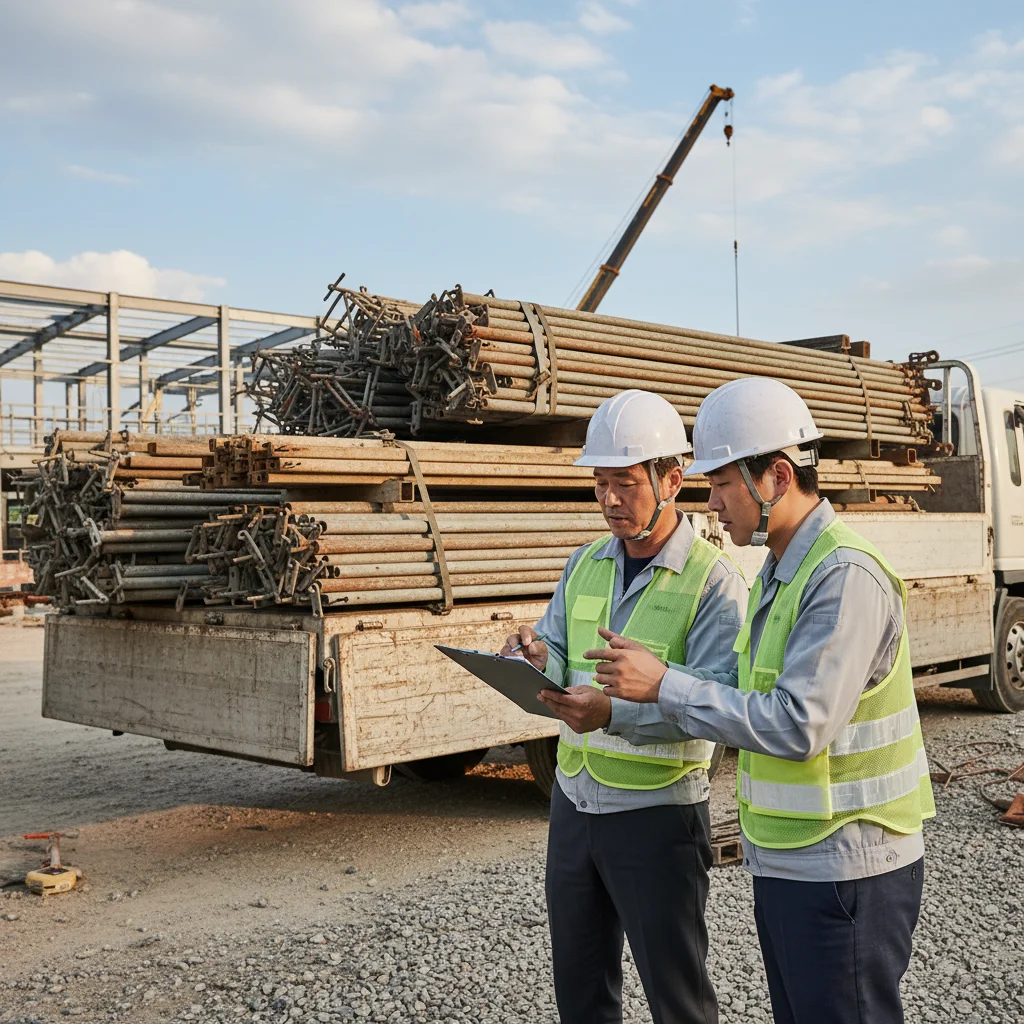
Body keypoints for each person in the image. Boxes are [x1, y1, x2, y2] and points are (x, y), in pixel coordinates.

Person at [599, 377, 935, 1024]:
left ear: (777, 477)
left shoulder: (842, 576)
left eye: (723, 483)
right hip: (794, 860)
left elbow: (798, 724)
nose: (712, 501)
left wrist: (666, 684)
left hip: (849, 866)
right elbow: (750, 699)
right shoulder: (784, 571)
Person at [500, 389, 747, 1024]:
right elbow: (559, 650)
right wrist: (535, 658)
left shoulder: (712, 581)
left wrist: (614, 715)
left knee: (678, 998)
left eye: (626, 484)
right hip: (575, 805)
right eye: (600, 483)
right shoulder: (585, 564)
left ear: (673, 476)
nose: (610, 500)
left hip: (658, 819)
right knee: (581, 994)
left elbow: (719, 705)